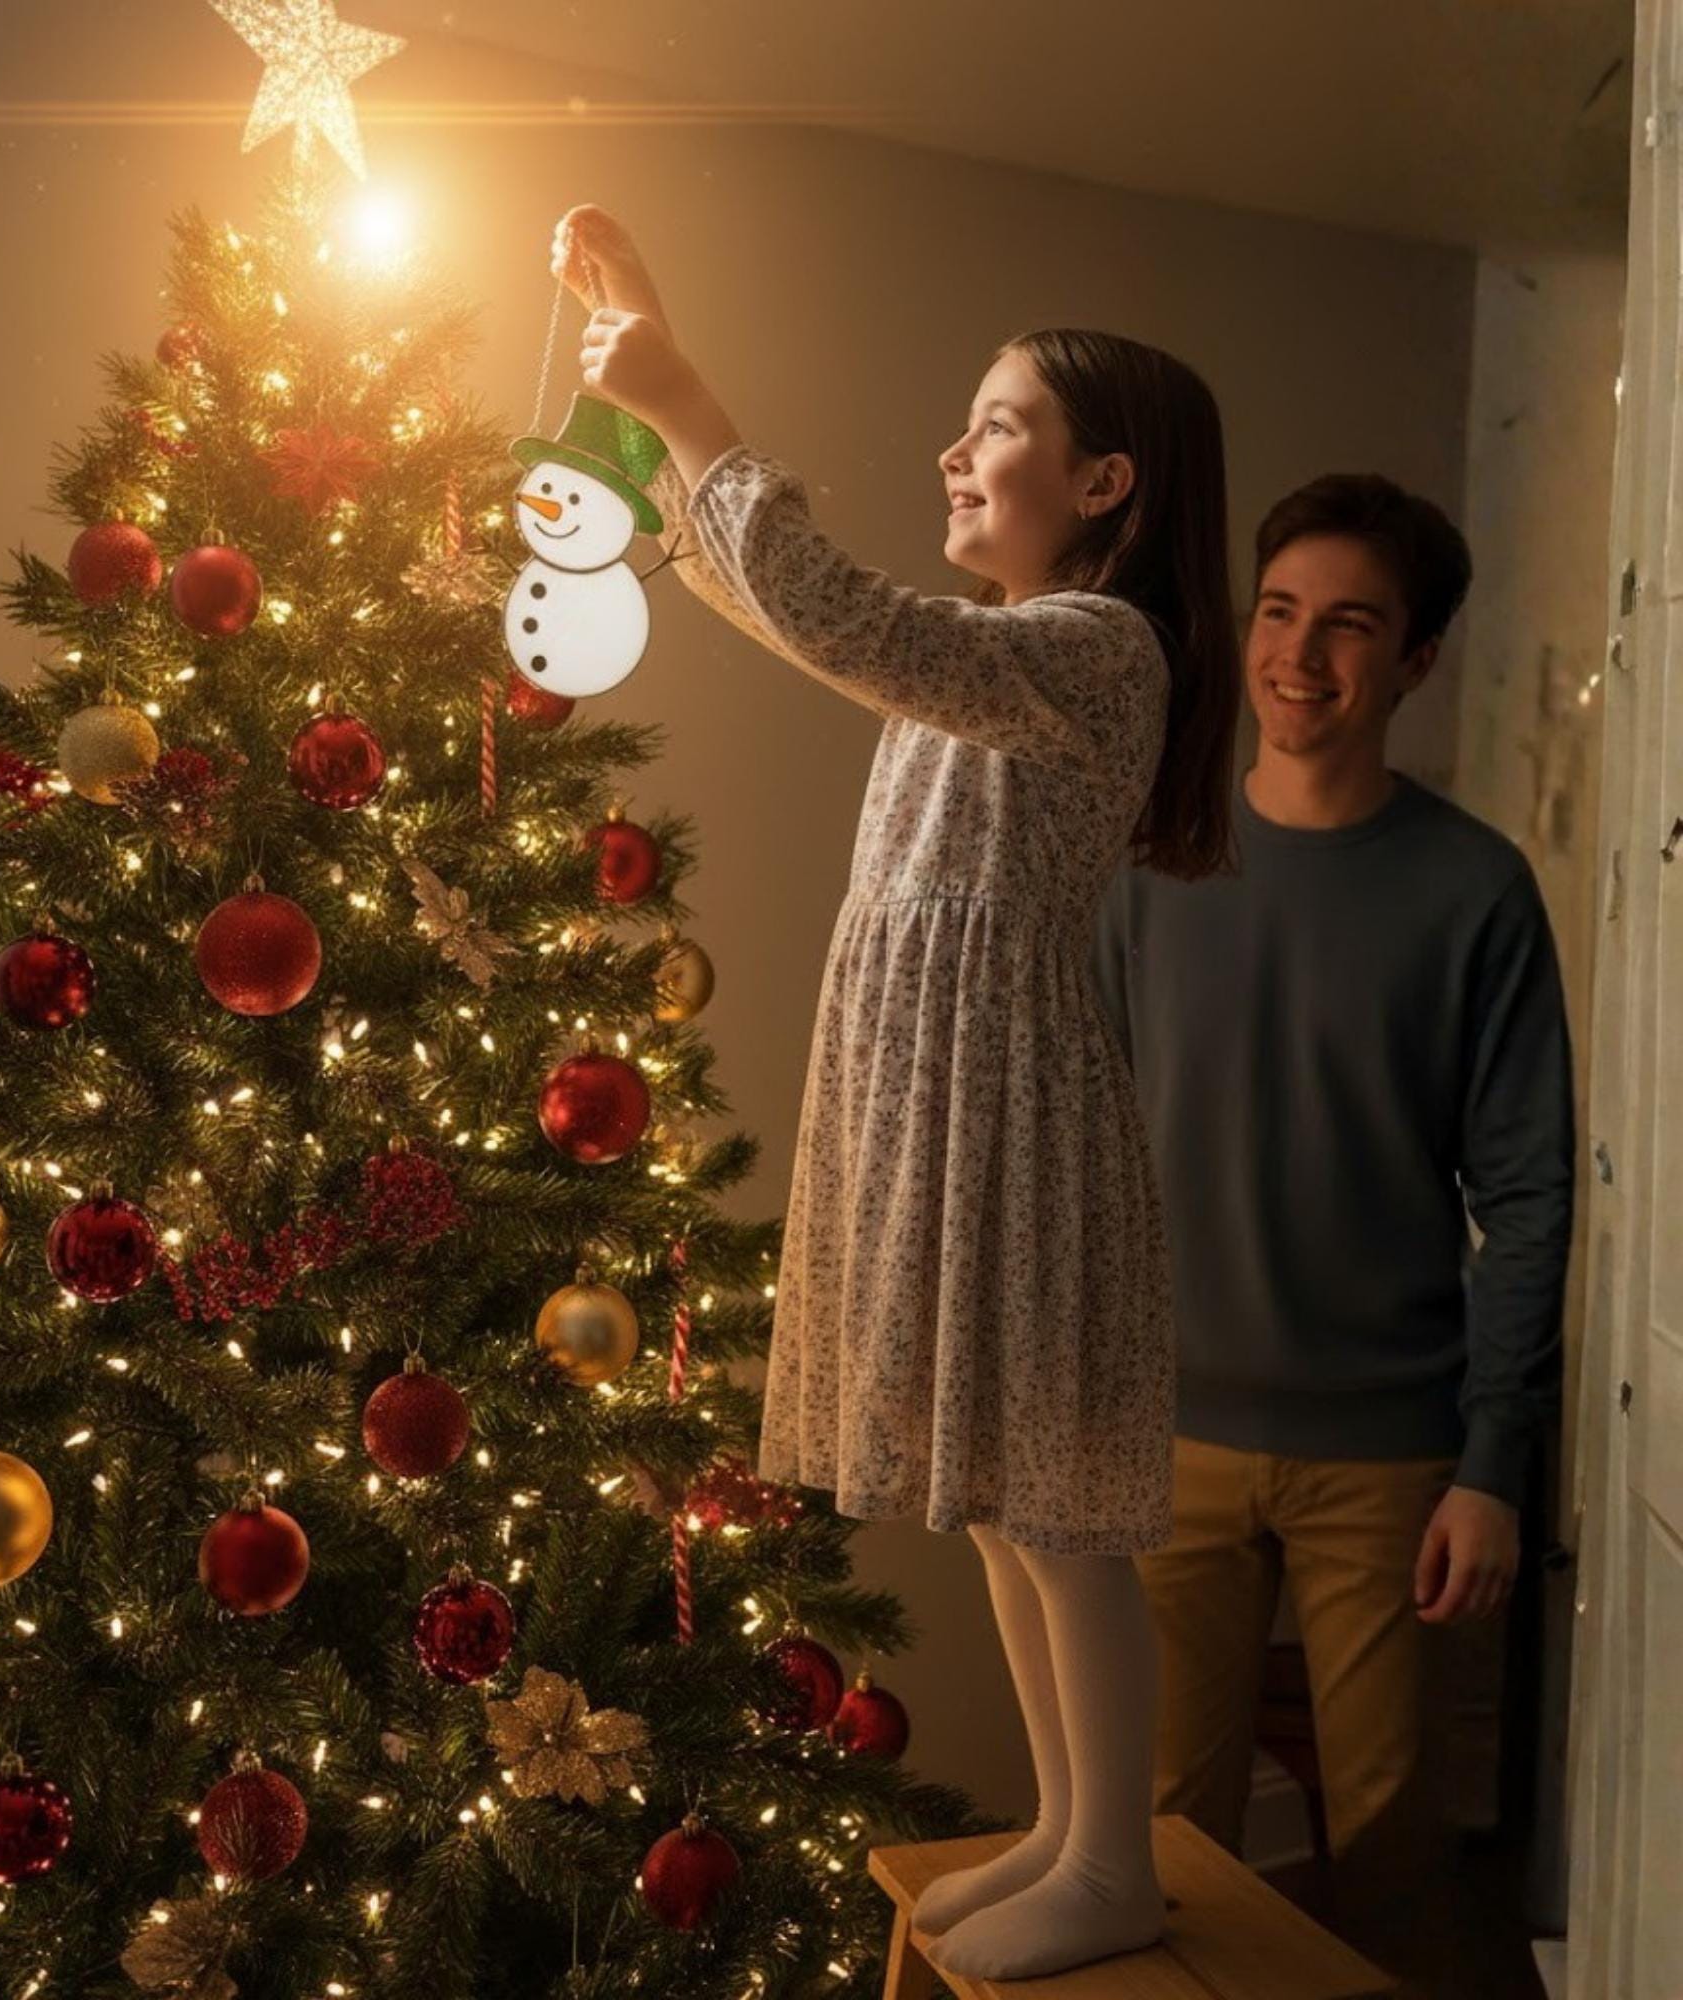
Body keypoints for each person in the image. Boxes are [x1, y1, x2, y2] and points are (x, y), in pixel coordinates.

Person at [550, 205, 1241, 1981]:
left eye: (1000, 422)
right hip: (935, 1091)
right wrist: (642, 376)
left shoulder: (1099, 651)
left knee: (1059, 1519)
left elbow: (840, 611)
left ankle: (1118, 1863)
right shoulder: (990, 651)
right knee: (1013, 1513)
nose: (957, 444)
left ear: (1107, 483)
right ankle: (1074, 1834)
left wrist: (695, 399)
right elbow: (783, 603)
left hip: (1010, 1106)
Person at [1090, 473, 1574, 1965]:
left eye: (1351, 625)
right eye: (1282, 614)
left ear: (1415, 660)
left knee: (1395, 1852)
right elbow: (1085, 1149)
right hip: (1163, 1438)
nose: (1303, 656)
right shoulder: (1149, 867)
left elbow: (1530, 1190)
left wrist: (1493, 1467)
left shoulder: (1476, 891)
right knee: (1160, 1844)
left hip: (1395, 1459)